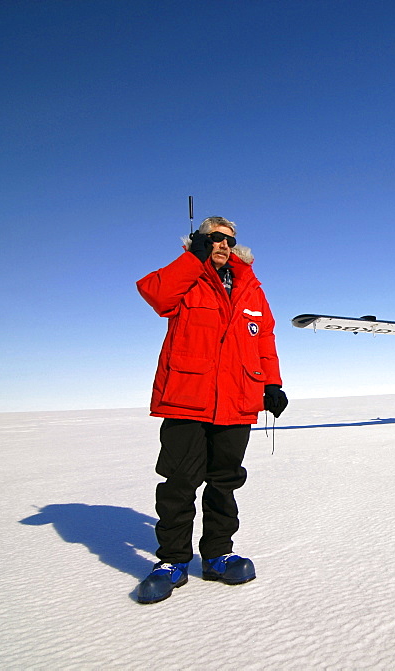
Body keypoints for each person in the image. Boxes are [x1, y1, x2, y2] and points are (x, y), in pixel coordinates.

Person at [134, 216, 288, 604]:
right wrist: (193, 259)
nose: (223, 244)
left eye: (229, 239)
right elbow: (156, 296)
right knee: (179, 482)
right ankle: (171, 561)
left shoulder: (251, 287)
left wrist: (272, 383)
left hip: (237, 397)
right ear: (201, 240)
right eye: (214, 238)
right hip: (188, 396)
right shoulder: (187, 276)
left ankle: (218, 554)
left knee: (225, 481)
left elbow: (264, 337)